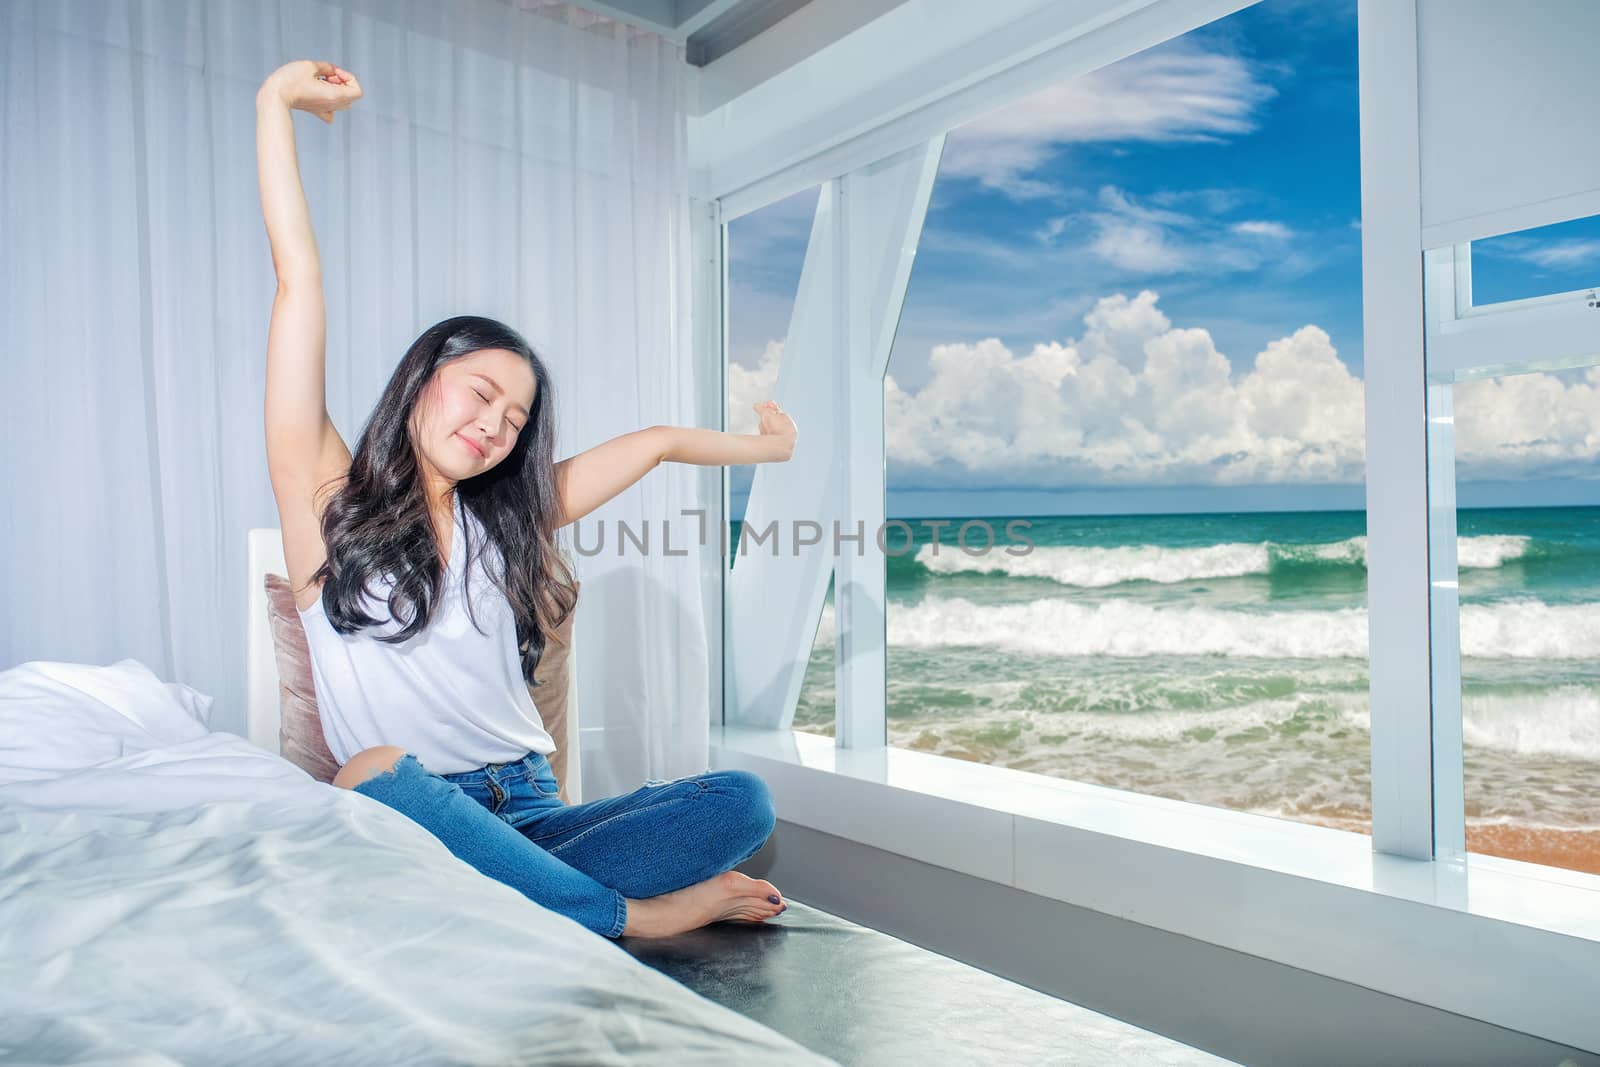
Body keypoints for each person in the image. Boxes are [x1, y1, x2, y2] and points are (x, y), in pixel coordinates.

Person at [256, 60, 797, 940]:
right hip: (415, 811)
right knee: (368, 770)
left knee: (741, 800)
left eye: (514, 419)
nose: (494, 425)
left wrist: (769, 448)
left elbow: (656, 443)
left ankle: (524, 896)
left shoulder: (504, 521)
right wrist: (275, 103)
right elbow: (297, 282)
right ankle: (634, 917)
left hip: (538, 814)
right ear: (423, 379)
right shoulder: (326, 499)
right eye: (479, 393)